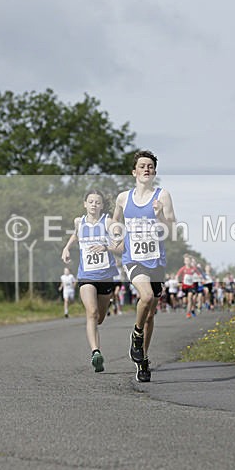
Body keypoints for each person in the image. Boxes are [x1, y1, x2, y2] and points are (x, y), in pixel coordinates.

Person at [112, 150, 177, 382]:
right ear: (134, 172)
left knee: (150, 315)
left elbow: (171, 230)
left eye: (150, 166)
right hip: (133, 259)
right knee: (146, 297)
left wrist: (160, 215)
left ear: (155, 172)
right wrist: (116, 236)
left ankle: (143, 360)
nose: (146, 169)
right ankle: (136, 335)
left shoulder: (163, 196)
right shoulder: (123, 197)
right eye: (142, 166)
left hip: (156, 260)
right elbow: (114, 219)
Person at [61, 190, 120, 372]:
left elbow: (121, 247)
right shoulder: (79, 222)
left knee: (100, 318)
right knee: (92, 313)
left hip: (106, 276)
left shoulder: (108, 223)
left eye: (98, 202)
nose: (94, 204)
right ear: (84, 204)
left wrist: (106, 247)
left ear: (102, 206)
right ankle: (96, 352)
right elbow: (76, 235)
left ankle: (95, 341)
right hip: (86, 275)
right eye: (91, 201)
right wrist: (67, 248)